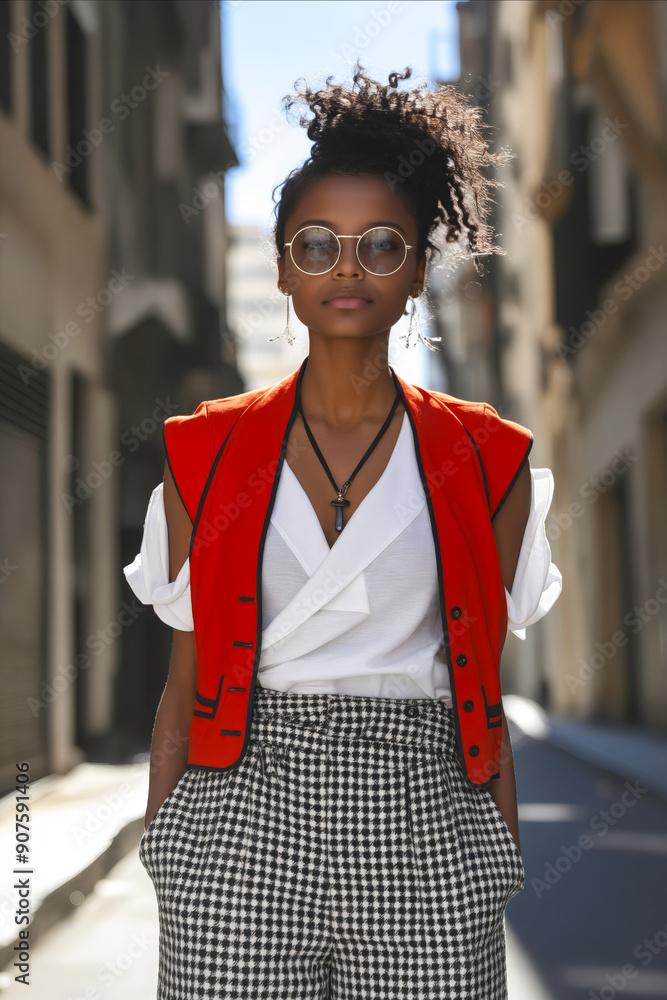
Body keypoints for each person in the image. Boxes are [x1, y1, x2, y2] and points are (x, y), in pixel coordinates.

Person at [124, 62, 562, 1000]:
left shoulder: (492, 461)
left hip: (426, 829)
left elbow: (485, 681)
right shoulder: (200, 452)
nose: (347, 267)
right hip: (240, 818)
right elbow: (183, 679)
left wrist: (497, 860)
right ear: (283, 268)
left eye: (381, 245)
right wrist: (170, 847)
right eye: (316, 244)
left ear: (416, 271)